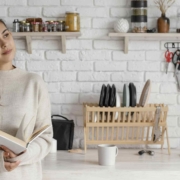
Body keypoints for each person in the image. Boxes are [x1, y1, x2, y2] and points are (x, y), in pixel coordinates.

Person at [0, 19, 53, 179]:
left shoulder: (33, 82)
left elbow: (45, 137)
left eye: (6, 35)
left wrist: (24, 154)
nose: (4, 44)